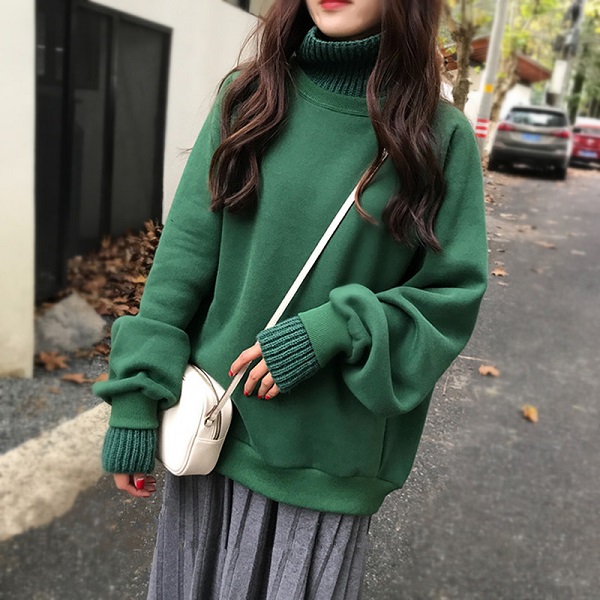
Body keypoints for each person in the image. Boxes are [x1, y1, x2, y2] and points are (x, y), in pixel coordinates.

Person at [93, 0, 488, 597]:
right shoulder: (250, 99)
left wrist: (335, 329)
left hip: (325, 467)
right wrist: (135, 399)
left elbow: (449, 299)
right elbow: (182, 261)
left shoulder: (439, 137)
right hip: (215, 439)